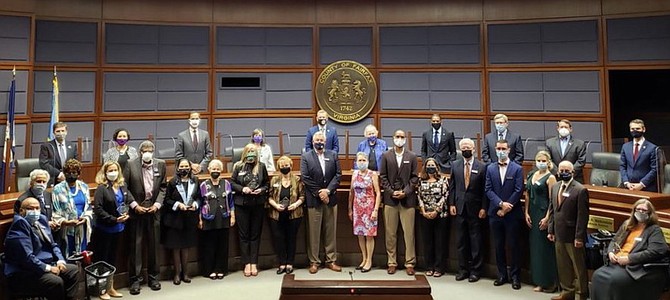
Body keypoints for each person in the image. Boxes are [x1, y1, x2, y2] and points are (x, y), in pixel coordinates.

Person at [591, 199, 670, 300]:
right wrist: (610, 252)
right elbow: (614, 240)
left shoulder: (654, 229)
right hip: (617, 262)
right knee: (597, 275)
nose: (640, 212)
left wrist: (629, 258)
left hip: (636, 267)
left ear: (650, 213)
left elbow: (656, 251)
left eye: (644, 210)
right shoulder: (627, 225)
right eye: (638, 209)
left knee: (613, 280)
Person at [4, 198, 79, 300]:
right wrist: (48, 268)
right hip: (24, 271)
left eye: (37, 208)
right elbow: (27, 258)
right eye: (31, 208)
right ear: (21, 211)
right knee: (55, 282)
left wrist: (60, 260)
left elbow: (53, 244)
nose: (35, 211)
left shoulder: (42, 220)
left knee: (73, 270)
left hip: (43, 264)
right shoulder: (20, 224)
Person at [123, 140, 166, 295]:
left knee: (154, 245)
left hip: (154, 210)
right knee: (136, 246)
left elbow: (163, 187)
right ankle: (135, 280)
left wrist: (157, 205)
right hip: (137, 211)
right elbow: (124, 187)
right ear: (140, 152)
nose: (147, 152)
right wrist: (134, 205)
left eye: (150, 150)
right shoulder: (131, 164)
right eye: (144, 150)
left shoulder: (160, 164)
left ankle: (154, 277)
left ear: (153, 151)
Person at [547, 161, 590, 300]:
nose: (564, 172)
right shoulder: (555, 187)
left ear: (572, 172)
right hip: (558, 233)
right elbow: (552, 209)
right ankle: (567, 291)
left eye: (567, 170)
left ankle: (580, 294)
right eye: (561, 170)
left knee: (578, 267)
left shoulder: (580, 189)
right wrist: (550, 230)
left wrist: (579, 237)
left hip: (572, 235)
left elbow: (582, 216)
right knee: (563, 265)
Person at [300, 130, 342, 274]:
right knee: (314, 232)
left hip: (331, 199)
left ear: (325, 142)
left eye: (321, 140)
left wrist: (328, 191)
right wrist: (319, 192)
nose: (319, 142)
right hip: (314, 199)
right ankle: (314, 261)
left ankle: (331, 260)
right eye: (317, 140)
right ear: (312, 141)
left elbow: (338, 175)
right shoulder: (306, 156)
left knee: (331, 231)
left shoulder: (333, 155)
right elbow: (305, 177)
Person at [485, 139, 524, 290]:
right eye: (498, 148)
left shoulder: (517, 168)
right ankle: (502, 274)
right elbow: (488, 189)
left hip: (512, 214)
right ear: (495, 149)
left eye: (503, 148)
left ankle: (515, 276)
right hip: (495, 213)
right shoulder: (490, 168)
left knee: (513, 246)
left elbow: (518, 189)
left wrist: (507, 207)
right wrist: (500, 204)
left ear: (509, 150)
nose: (501, 151)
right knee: (498, 245)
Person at [379, 129, 419, 276]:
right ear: (393, 138)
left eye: (402, 137)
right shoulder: (385, 156)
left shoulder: (412, 156)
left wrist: (405, 192)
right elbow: (382, 176)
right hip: (390, 200)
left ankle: (410, 263)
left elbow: (415, 178)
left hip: (407, 201)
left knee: (409, 234)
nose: (400, 139)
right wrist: (391, 192)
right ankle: (392, 262)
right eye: (397, 136)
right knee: (390, 234)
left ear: (405, 139)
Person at [449, 138, 487, 282]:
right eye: (463, 147)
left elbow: (484, 190)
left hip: (476, 209)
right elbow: (452, 186)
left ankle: (475, 271)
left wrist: (484, 207)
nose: (465, 149)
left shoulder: (482, 167)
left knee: (475, 240)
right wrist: (451, 204)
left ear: (473, 149)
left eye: (468, 147)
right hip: (459, 208)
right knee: (461, 241)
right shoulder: (455, 165)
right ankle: (462, 269)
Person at [92, 161, 131, 299]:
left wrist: (126, 214)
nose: (113, 172)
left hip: (119, 229)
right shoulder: (102, 188)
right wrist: (114, 219)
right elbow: (98, 209)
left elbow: (126, 202)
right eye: (110, 170)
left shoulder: (122, 185)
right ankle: (102, 289)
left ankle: (111, 287)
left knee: (113, 259)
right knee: (103, 259)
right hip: (105, 229)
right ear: (105, 172)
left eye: (115, 170)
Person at [231, 143, 270, 277]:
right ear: (245, 153)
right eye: (249, 151)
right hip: (242, 204)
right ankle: (246, 263)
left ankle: (254, 262)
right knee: (244, 235)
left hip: (257, 204)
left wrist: (261, 190)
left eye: (253, 151)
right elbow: (232, 183)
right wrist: (243, 189)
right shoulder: (238, 166)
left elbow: (266, 183)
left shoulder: (261, 167)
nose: (251, 154)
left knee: (255, 235)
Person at [161, 158, 199, 285]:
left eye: (186, 166)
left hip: (189, 218)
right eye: (182, 166)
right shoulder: (172, 182)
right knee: (176, 247)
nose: (184, 169)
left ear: (190, 168)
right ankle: (177, 273)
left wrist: (195, 204)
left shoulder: (195, 181)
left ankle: (186, 273)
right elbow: (167, 200)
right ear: (177, 168)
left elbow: (199, 197)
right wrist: (178, 204)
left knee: (186, 247)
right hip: (175, 220)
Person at [524, 151, 558, 293]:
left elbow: (553, 199)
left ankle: (549, 282)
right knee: (535, 248)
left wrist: (548, 217)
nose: (541, 163)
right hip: (532, 212)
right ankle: (538, 281)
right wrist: (526, 212)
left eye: (543, 160)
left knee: (545, 249)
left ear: (548, 162)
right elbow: (526, 194)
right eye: (538, 160)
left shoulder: (550, 178)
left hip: (544, 214)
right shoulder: (532, 174)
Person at [267, 156, 304, 275]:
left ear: (291, 166)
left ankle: (290, 263)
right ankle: (282, 262)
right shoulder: (274, 180)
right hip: (277, 213)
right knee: (279, 239)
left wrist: (296, 205)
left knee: (291, 239)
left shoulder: (297, 180)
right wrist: (276, 205)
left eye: (286, 165)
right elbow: (269, 196)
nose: (284, 168)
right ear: (278, 167)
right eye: (282, 166)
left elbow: (302, 196)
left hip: (294, 214)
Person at [198, 159, 235, 280]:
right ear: (209, 170)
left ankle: (221, 269)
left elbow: (231, 201)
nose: (216, 171)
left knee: (222, 245)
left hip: (224, 217)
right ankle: (210, 270)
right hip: (208, 218)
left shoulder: (227, 184)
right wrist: (200, 220)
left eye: (218, 169)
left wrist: (232, 216)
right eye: (213, 169)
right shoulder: (203, 185)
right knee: (209, 245)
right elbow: (200, 203)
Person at [347, 152, 381, 273]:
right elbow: (351, 192)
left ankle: (369, 261)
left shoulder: (373, 174)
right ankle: (364, 258)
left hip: (369, 209)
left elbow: (378, 193)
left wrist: (375, 210)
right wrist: (350, 209)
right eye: (359, 160)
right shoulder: (355, 174)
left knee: (369, 235)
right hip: (357, 209)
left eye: (363, 160)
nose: (361, 162)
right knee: (360, 235)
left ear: (367, 161)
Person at [51, 159, 92, 257]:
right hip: (66, 229)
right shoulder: (58, 189)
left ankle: (80, 272)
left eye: (74, 172)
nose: (71, 175)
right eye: (68, 172)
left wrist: (85, 218)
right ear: (64, 174)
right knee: (67, 255)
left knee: (82, 256)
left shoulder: (84, 187)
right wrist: (66, 222)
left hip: (81, 228)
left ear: (78, 174)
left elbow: (88, 206)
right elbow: (55, 211)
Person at [417, 158, 449, 277]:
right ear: (425, 167)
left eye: (432, 165)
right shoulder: (421, 180)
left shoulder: (443, 180)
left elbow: (445, 195)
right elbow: (419, 196)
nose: (430, 167)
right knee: (428, 242)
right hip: (425, 215)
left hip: (440, 214)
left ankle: (439, 268)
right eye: (428, 165)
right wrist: (424, 210)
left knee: (440, 241)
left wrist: (436, 210)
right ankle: (429, 267)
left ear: (437, 167)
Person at [620, 119, 659, 192]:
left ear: (643, 129)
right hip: (628, 187)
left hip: (646, 188)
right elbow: (622, 166)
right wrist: (626, 182)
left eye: (638, 128)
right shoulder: (625, 147)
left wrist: (641, 184)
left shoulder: (653, 148)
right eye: (632, 129)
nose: (635, 130)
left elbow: (655, 169)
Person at [39, 122, 78, 187]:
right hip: (52, 180)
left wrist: (67, 175)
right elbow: (43, 163)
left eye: (63, 131)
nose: (61, 133)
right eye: (58, 131)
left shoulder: (72, 146)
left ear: (66, 132)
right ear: (54, 133)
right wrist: (59, 174)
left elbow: (75, 162)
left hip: (68, 180)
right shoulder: (47, 146)